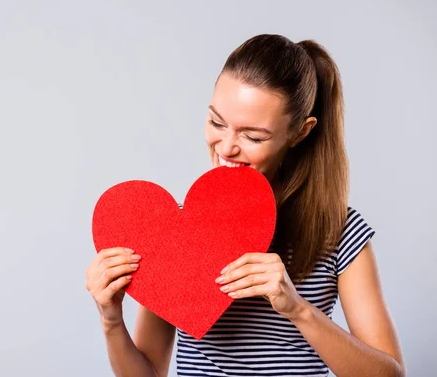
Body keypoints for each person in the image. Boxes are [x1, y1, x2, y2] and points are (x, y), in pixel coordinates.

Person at [85, 34, 405, 377]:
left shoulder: (340, 232)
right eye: (216, 122)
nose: (226, 146)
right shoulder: (174, 229)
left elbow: (390, 373)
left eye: (253, 136)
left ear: (299, 132)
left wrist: (297, 309)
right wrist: (110, 320)